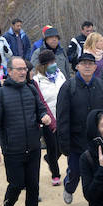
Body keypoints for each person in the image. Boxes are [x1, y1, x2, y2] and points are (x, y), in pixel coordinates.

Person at [0, 56, 51, 206]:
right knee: (16, 184)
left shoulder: (31, 90)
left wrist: (44, 117)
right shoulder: (0, 94)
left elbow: (41, 109)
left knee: (33, 185)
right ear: (9, 72)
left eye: (25, 69)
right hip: (12, 148)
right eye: (19, 69)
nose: (23, 72)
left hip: (33, 146)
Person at [56, 52, 103, 205]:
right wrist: (63, 143)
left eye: (90, 64)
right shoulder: (68, 87)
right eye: (83, 63)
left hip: (97, 140)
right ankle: (69, 187)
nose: (87, 66)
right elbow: (62, 118)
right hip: (76, 140)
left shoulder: (101, 85)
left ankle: (97, 197)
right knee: (75, 171)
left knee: (99, 169)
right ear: (77, 66)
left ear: (95, 67)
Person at [31, 49, 65, 185]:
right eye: (50, 62)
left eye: (54, 61)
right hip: (47, 118)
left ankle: (50, 159)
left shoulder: (60, 75)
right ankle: (55, 174)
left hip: (62, 115)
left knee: (62, 146)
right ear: (43, 65)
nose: (53, 64)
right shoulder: (37, 80)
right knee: (52, 146)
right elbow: (39, 101)